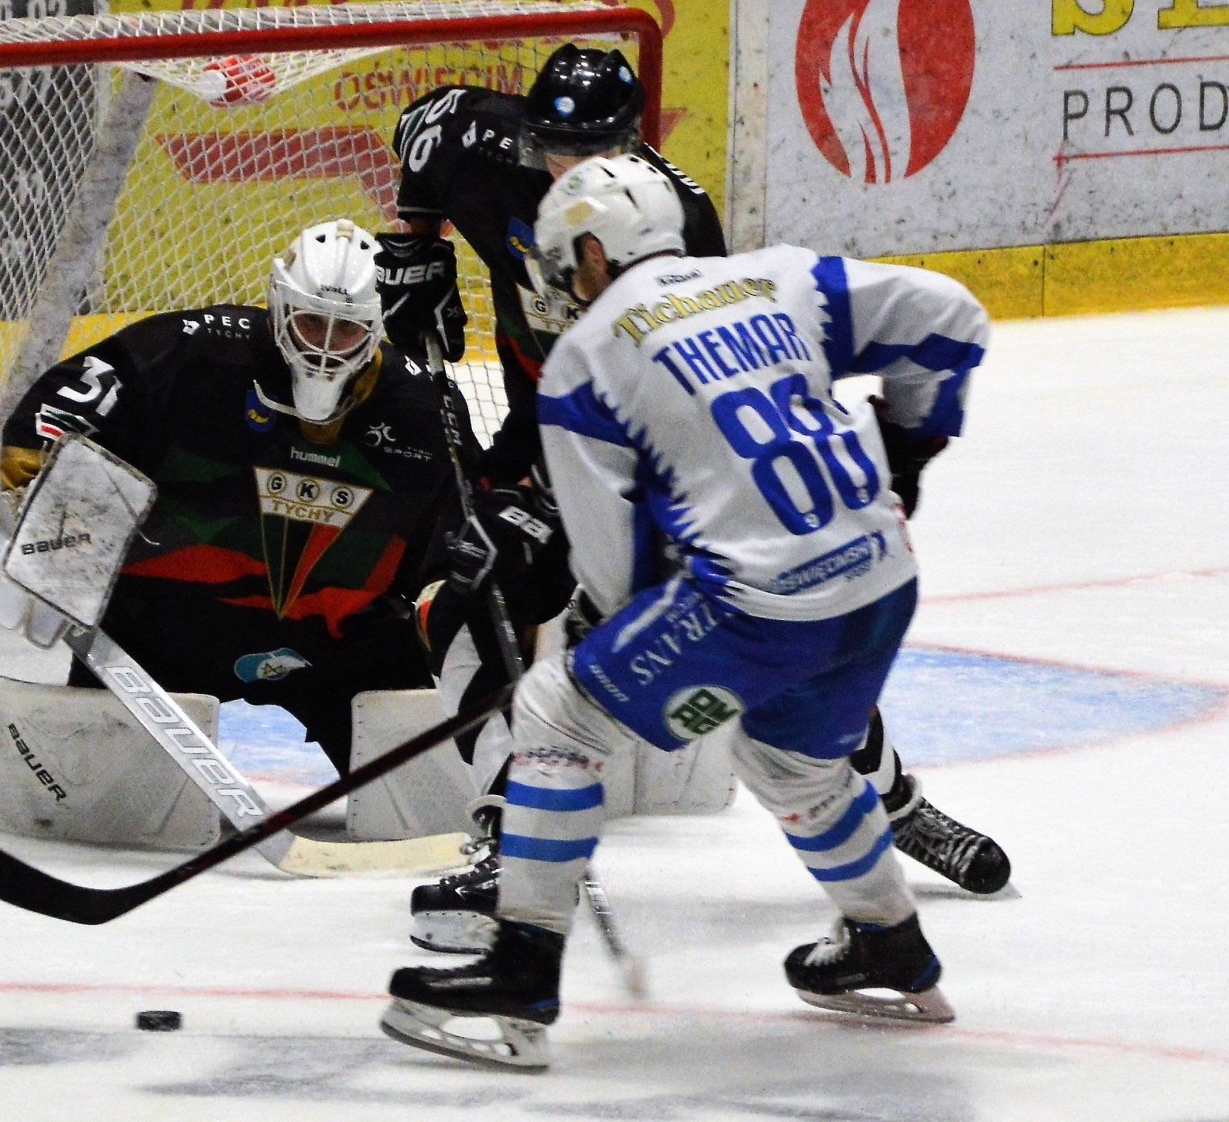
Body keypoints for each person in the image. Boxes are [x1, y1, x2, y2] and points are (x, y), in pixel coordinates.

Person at [378, 48, 1007, 954]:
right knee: (499, 599)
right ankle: (501, 843)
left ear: (632, 140)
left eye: (593, 144)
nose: (571, 164)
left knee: (764, 623)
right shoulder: (473, 136)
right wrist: (415, 250)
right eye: (555, 143)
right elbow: (419, 143)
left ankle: (893, 798)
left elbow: (688, 405)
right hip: (544, 417)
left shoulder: (675, 219)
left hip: (643, 446)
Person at [0, 219, 476, 775]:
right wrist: (48, 520)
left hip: (341, 648)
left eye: (344, 330)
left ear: (375, 326)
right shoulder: (189, 353)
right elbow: (60, 413)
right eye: (311, 321)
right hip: (164, 634)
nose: (323, 345)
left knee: (438, 796)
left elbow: (458, 534)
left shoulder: (423, 410)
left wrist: (452, 602)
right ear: (277, 304)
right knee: (94, 794)